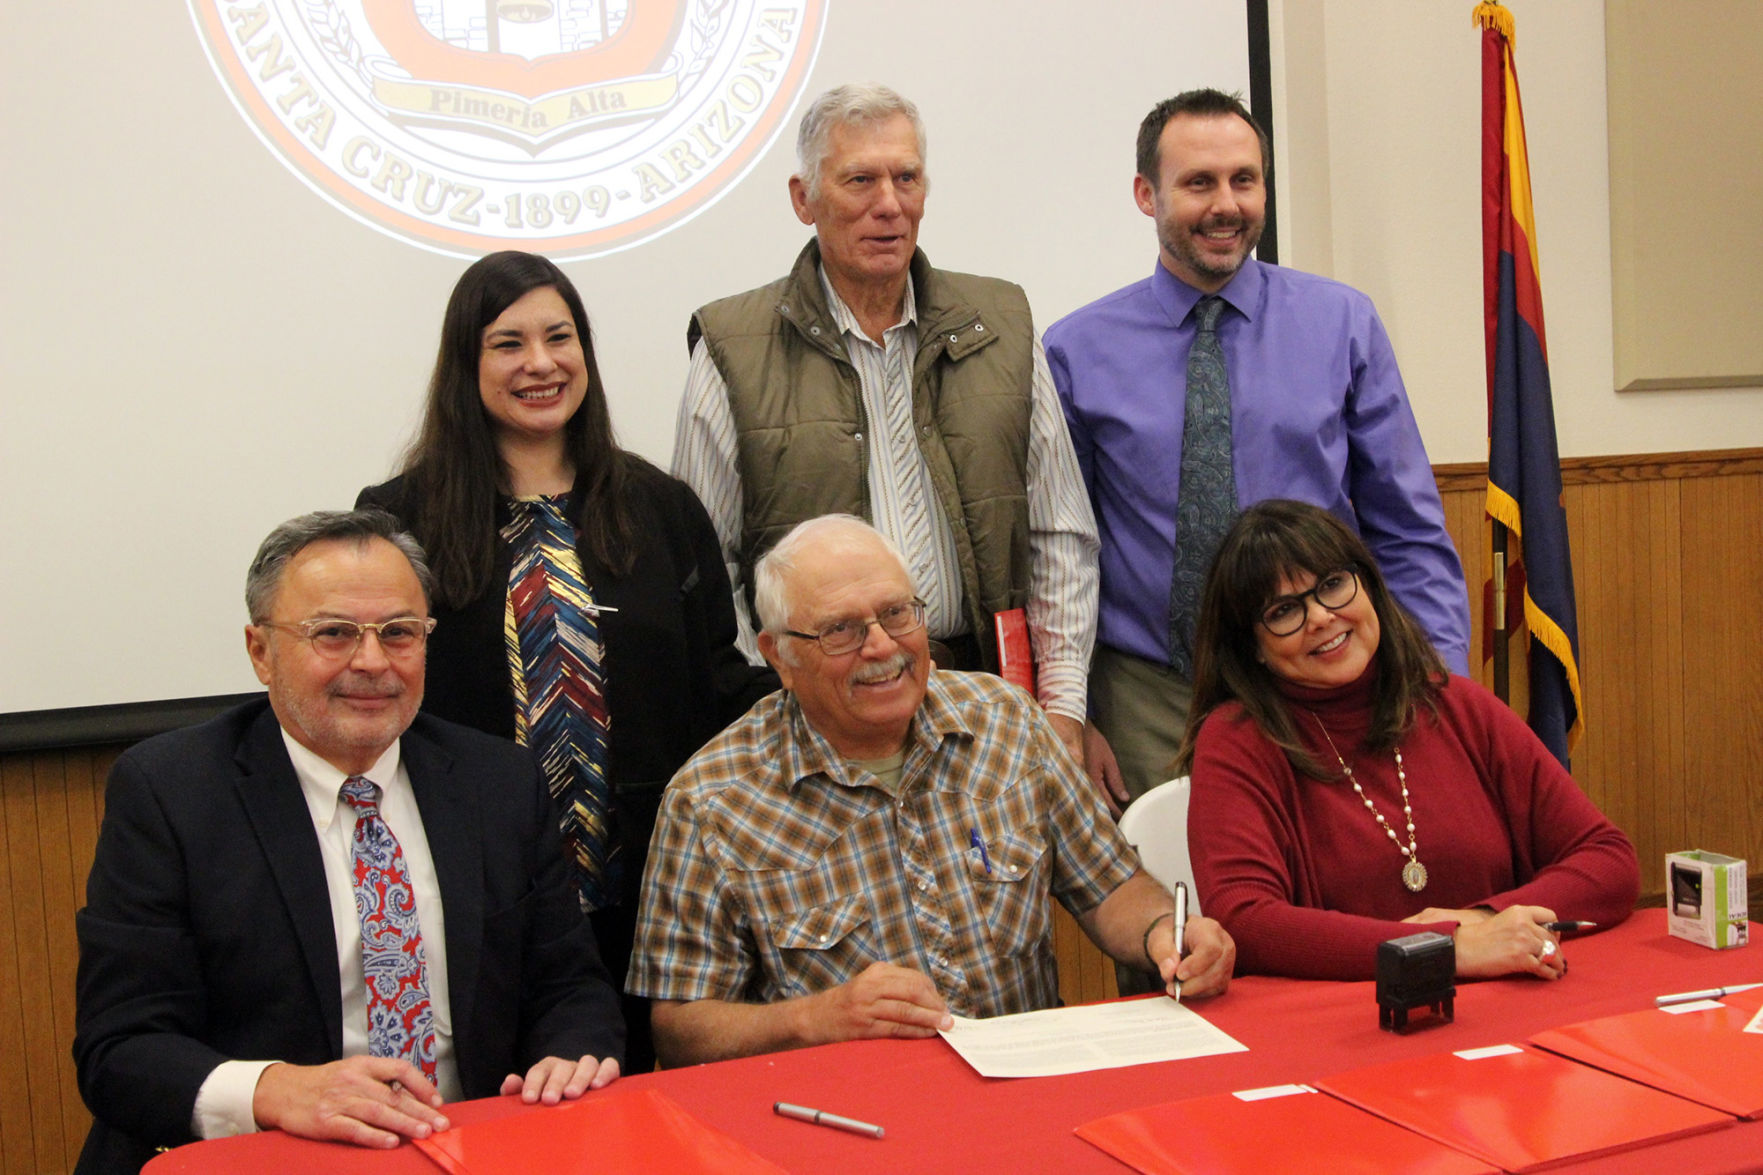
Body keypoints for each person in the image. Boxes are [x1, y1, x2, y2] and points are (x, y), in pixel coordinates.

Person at [72, 510, 624, 1174]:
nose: (371, 661)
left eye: (398, 633)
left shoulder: (496, 782)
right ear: (260, 651)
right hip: (266, 1156)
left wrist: (567, 1056)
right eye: (333, 633)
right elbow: (121, 1046)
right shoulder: (171, 792)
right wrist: (276, 1090)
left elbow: (570, 984)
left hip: (466, 1146)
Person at [358, 251, 775, 1072]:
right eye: (508, 343)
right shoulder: (399, 518)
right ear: (465, 364)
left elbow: (716, 687)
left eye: (560, 336)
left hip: (655, 886)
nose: (541, 363)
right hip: (478, 884)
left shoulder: (660, 506)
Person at [628, 515, 1233, 1067]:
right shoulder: (711, 801)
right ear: (779, 656)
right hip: (846, 1117)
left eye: (897, 613)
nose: (883, 647)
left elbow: (1111, 887)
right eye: (841, 630)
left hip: (1030, 1089)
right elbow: (681, 1031)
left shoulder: (1005, 721)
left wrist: (1166, 934)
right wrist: (814, 1019)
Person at [671, 83, 1122, 805]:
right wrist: (770, 707)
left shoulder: (1000, 324)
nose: (889, 202)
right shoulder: (733, 346)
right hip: (815, 721)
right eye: (859, 180)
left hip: (985, 708)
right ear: (803, 197)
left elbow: (1058, 534)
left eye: (905, 177)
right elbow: (700, 568)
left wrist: (1063, 708)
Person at [1046, 88, 1471, 805]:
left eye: (1244, 179)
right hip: (1148, 700)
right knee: (1176, 911)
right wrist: (1073, 713)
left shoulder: (1341, 324)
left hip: (1322, 678)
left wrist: (1438, 685)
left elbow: (1406, 527)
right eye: (1198, 183)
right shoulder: (1074, 350)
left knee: (1324, 908)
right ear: (1146, 194)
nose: (1226, 204)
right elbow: (1059, 556)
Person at [1178, 500, 1638, 981]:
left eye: (1333, 585)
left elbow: (1609, 860)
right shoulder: (1236, 740)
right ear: (1253, 647)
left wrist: (1481, 921)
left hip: (1505, 1002)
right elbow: (1246, 922)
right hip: (1346, 1027)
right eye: (1284, 611)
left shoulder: (1458, 706)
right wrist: (1443, 948)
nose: (1319, 617)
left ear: (1369, 586)